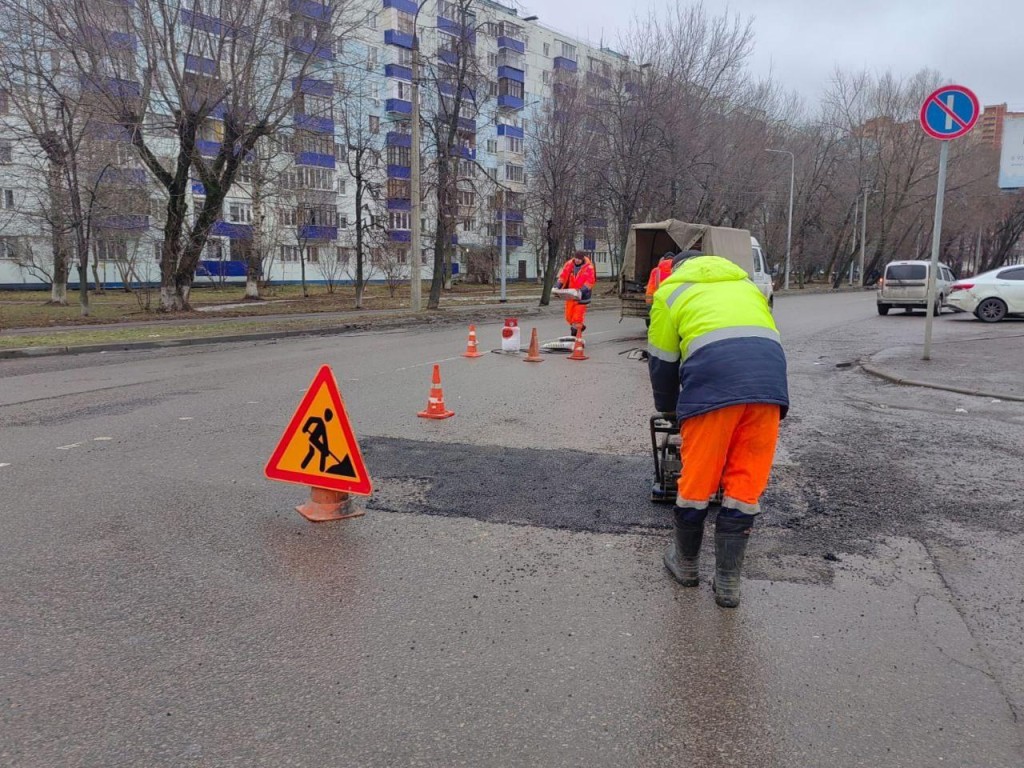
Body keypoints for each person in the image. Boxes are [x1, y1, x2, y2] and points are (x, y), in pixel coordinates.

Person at [647, 253, 789, 608]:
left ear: (677, 269)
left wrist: (668, 406)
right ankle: (727, 582)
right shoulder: (746, 285)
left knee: (697, 482)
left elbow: (663, 361)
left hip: (713, 388)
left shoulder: (671, 292)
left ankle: (687, 564)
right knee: (744, 484)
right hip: (768, 388)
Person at [556, 251, 597, 338]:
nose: (577, 260)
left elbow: (590, 281)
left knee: (577, 319)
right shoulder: (569, 264)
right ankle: (580, 327)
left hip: (582, 297)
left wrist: (581, 291)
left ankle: (575, 337)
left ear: (583, 259)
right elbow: (563, 276)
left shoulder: (589, 267)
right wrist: (558, 286)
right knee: (568, 317)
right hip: (570, 295)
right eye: (576, 258)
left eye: (579, 259)